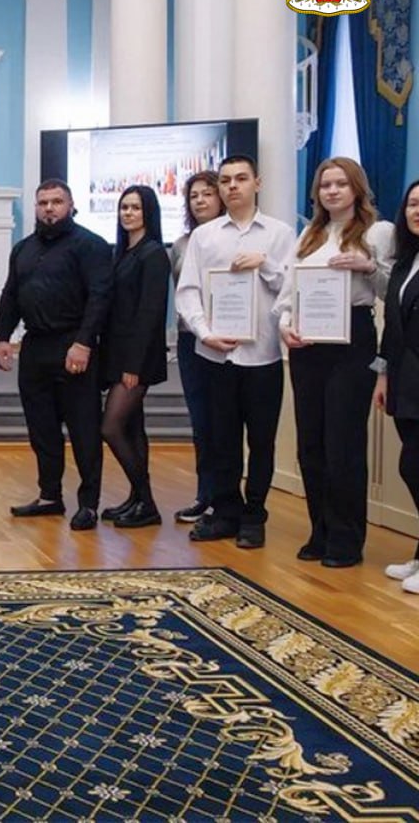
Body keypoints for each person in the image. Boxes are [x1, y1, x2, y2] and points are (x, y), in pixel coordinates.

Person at [175, 154, 296, 549]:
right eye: (225, 180)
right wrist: (205, 332)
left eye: (240, 179)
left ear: (256, 183)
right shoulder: (204, 237)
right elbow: (188, 291)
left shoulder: (280, 234)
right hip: (215, 355)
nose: (232, 186)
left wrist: (267, 265)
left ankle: (254, 516)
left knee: (261, 441)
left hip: (263, 356)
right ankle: (225, 512)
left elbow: (293, 292)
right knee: (220, 439)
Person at [278, 157, 392, 567]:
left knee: (343, 444)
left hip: (353, 342)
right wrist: (286, 325)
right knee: (311, 443)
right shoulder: (308, 234)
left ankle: (346, 539)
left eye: (341, 184)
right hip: (308, 344)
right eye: (325, 185)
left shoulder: (378, 232)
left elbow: (392, 289)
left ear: (357, 188)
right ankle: (320, 531)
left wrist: (368, 265)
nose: (332, 191)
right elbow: (288, 292)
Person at [0, 180, 113, 530]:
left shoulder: (91, 246)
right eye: (43, 202)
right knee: (41, 428)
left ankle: (88, 504)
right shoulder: (24, 249)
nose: (49, 208)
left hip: (74, 346)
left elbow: (100, 298)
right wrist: (2, 336)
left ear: (70, 205)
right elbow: (11, 294)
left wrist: (84, 342)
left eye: (57, 202)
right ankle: (50, 496)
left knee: (83, 430)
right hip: (35, 347)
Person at [98, 185, 171, 528]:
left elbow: (150, 312)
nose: (128, 213)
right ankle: (137, 500)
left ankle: (149, 502)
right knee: (133, 428)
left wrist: (133, 366)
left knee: (110, 427)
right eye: (124, 207)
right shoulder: (124, 252)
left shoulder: (154, 254)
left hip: (137, 358)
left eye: (135, 208)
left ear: (148, 213)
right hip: (117, 352)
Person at [170, 172, 224, 523]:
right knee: (201, 420)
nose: (201, 200)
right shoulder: (181, 245)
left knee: (225, 420)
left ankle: (227, 497)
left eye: (208, 193)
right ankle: (205, 494)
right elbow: (183, 294)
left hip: (232, 339)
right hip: (192, 340)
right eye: (194, 196)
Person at [375, 179, 419, 592]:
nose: (417, 210)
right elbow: (392, 326)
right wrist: (383, 373)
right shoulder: (406, 262)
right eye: (412, 204)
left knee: (413, 465)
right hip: (405, 381)